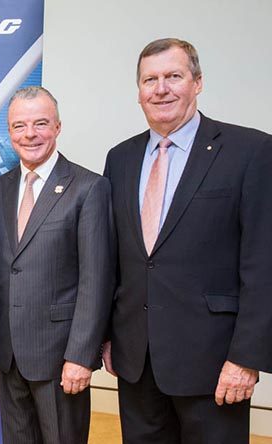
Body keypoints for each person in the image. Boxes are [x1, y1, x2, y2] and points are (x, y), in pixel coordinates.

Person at [103, 38, 272, 443]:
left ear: (197, 82)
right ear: (139, 91)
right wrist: (107, 337)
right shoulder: (120, 158)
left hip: (213, 364)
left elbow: (263, 263)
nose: (161, 89)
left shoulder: (250, 151)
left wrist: (246, 359)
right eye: (150, 79)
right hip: (136, 362)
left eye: (173, 76)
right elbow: (116, 259)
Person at [0, 86, 114, 444]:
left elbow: (95, 280)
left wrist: (82, 356)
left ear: (58, 127)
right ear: (9, 133)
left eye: (40, 123)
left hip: (60, 356)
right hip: (9, 354)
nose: (30, 134)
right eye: (19, 126)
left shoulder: (88, 188)